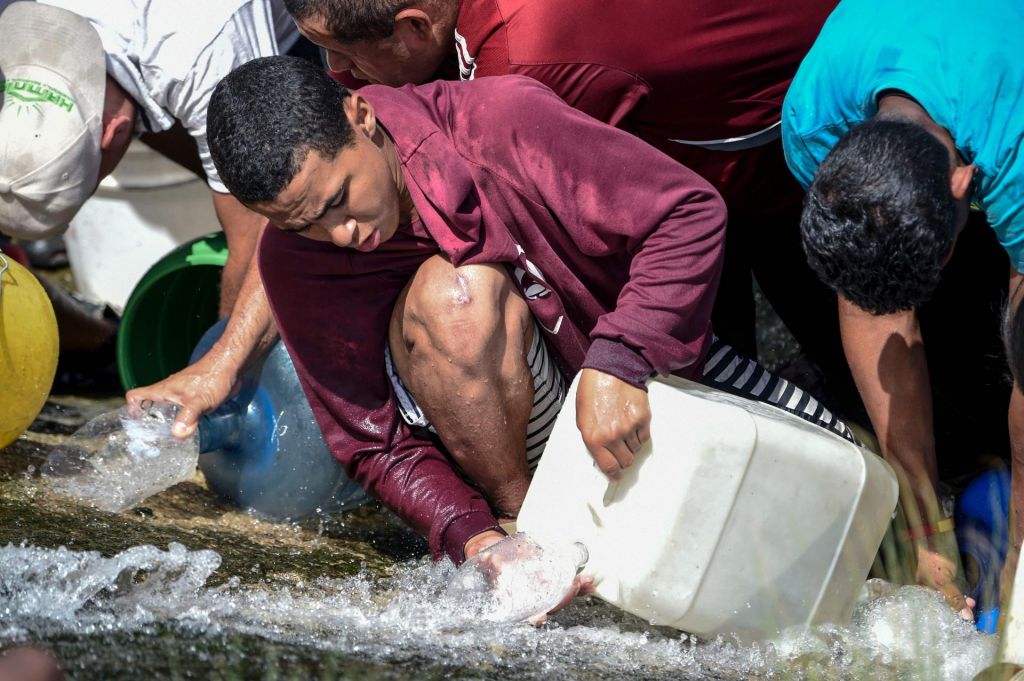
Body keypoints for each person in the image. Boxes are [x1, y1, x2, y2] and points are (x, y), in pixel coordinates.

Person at [201, 56, 855, 565]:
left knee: (853, 480)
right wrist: (471, 531)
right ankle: (527, 523)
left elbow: (688, 213)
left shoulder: (500, 122)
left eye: (340, 198)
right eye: (305, 223)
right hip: (485, 438)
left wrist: (620, 364)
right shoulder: (294, 260)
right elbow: (371, 444)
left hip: (622, 360)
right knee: (452, 298)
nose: (339, 234)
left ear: (361, 117)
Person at [279, 0, 862, 413]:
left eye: (343, 55)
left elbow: (661, 223)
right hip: (691, 136)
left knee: (883, 407)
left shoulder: (518, 70)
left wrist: (618, 364)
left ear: (412, 26)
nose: (341, 78)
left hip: (806, 148)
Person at [781, 0, 1023, 617]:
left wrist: (1018, 562)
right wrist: (925, 534)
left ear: (964, 182)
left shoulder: (1012, 141)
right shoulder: (813, 127)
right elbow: (870, 307)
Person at [0, 0, 305, 316]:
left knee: (293, 195)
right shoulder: (39, 23)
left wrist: (217, 350)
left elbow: (262, 235)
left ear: (112, 134)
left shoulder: (197, 59)